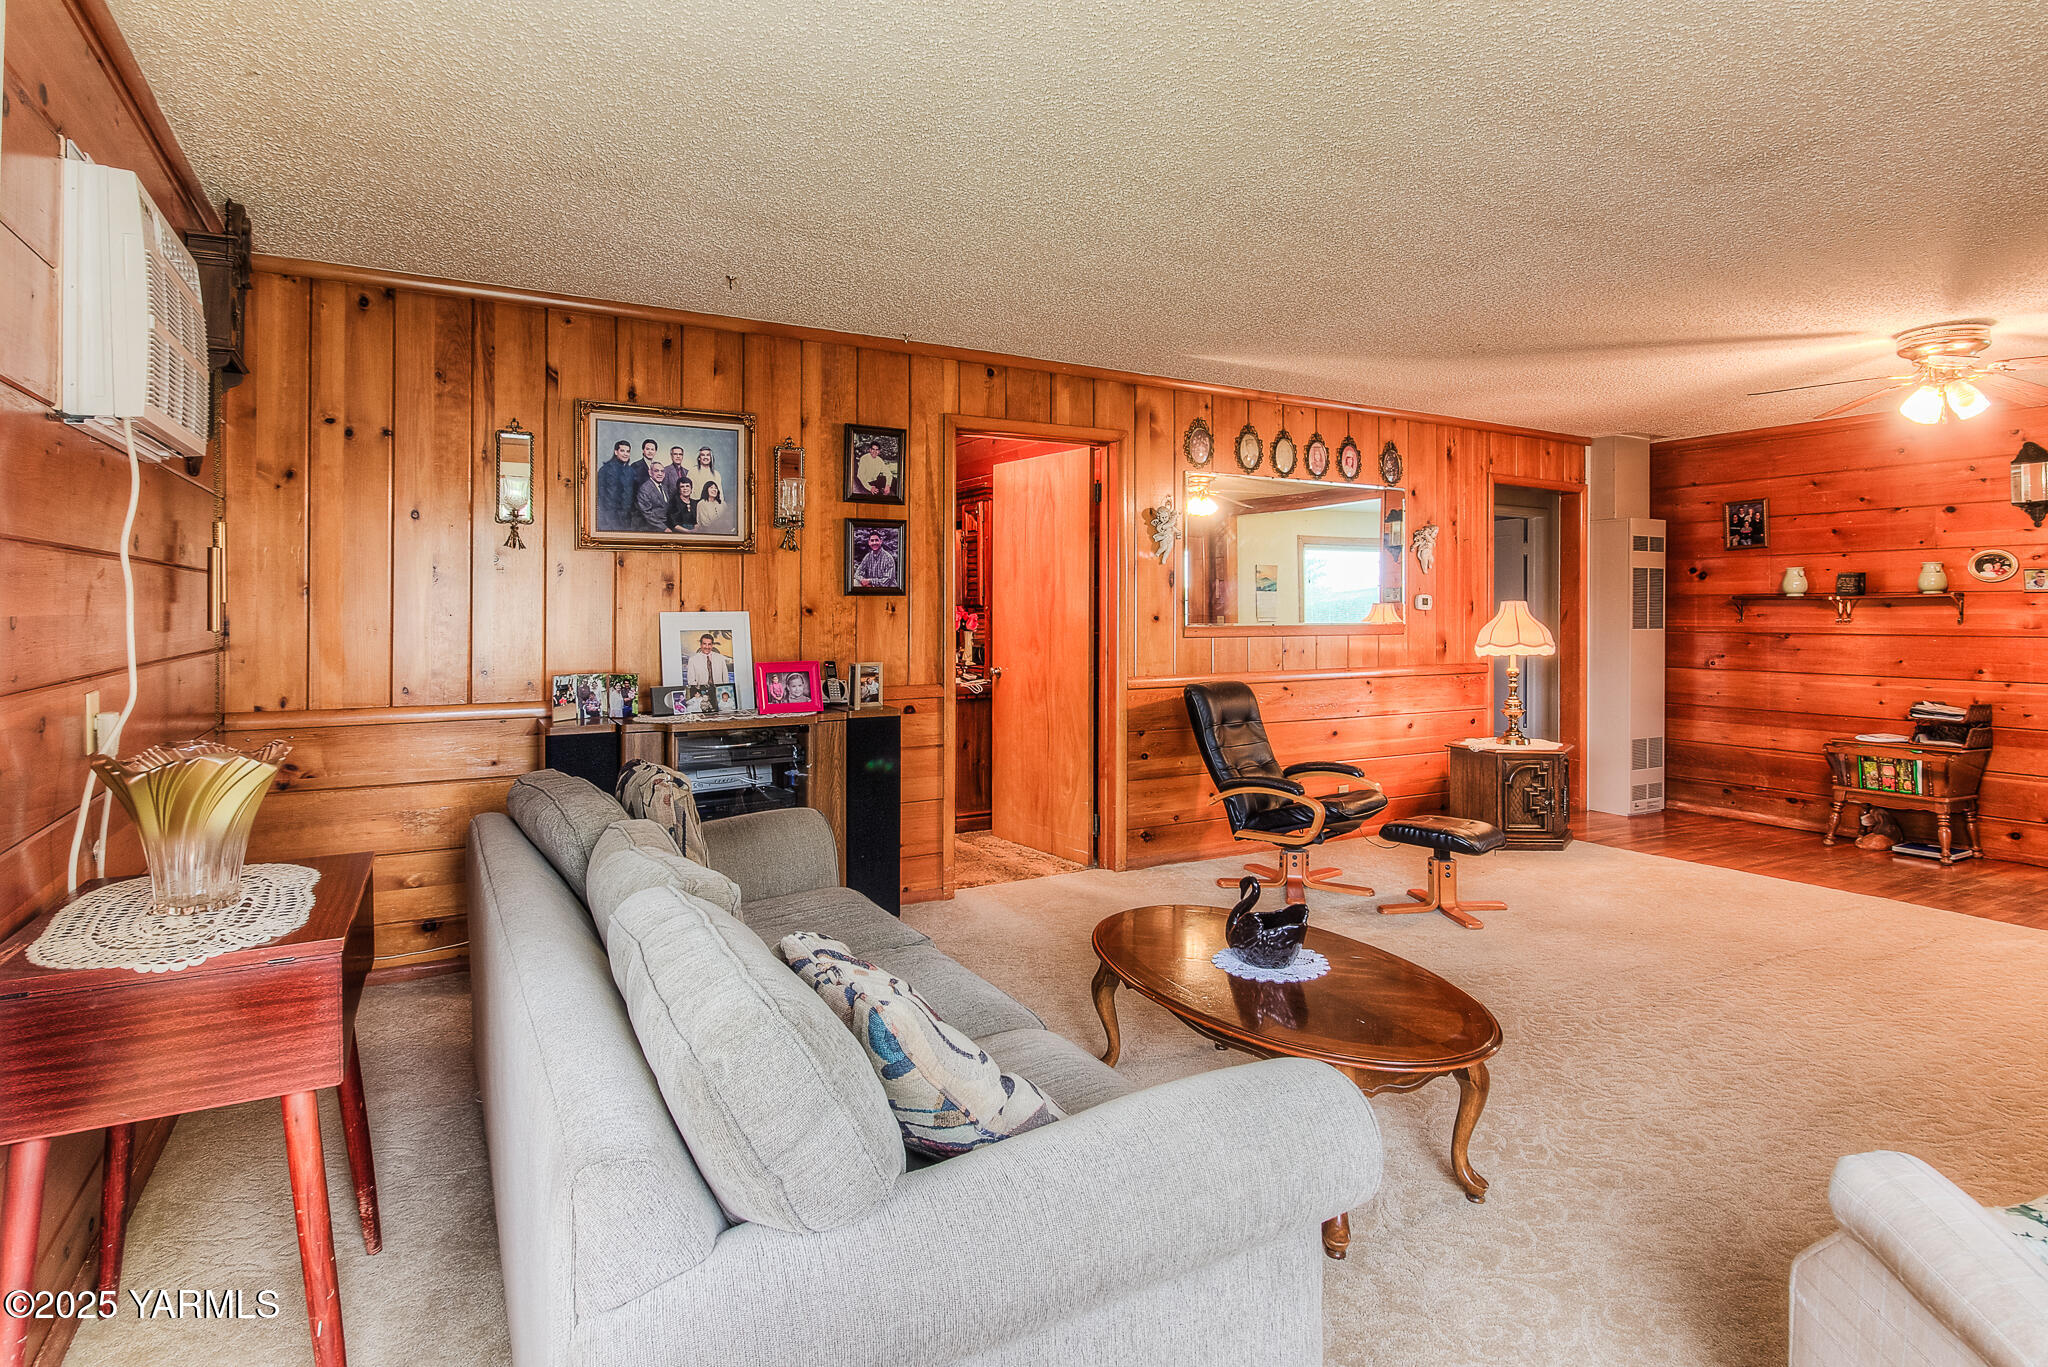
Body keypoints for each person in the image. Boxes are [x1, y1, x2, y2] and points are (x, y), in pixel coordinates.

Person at [595, 439, 638, 531]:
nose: (625, 454)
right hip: (609, 517)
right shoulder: (605, 470)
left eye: (628, 451)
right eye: (622, 451)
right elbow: (599, 496)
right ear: (616, 452)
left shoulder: (631, 471)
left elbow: (633, 495)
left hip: (626, 518)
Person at [633, 463, 669, 532]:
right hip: (653, 528)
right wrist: (664, 528)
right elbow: (647, 514)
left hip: (665, 524)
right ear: (650, 472)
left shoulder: (664, 487)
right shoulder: (645, 489)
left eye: (662, 471)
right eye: (656, 471)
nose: (660, 474)